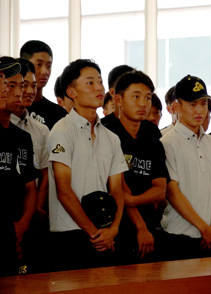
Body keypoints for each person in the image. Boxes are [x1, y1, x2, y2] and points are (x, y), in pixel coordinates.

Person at [47, 59, 128, 271]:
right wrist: (94, 233)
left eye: (100, 82)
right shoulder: (62, 131)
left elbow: (117, 190)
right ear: (71, 92)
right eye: (90, 83)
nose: (99, 87)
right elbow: (64, 192)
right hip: (70, 235)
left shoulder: (111, 138)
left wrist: (113, 230)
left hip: (106, 234)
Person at [158, 75, 211, 260]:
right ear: (177, 106)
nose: (200, 110)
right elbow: (172, 192)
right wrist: (203, 227)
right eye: (193, 105)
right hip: (179, 237)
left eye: (203, 104)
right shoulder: (167, 143)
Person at [106, 71, 169, 264]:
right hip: (115, 228)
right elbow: (119, 188)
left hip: (150, 227)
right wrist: (140, 227)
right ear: (118, 100)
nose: (143, 103)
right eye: (136, 97)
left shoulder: (153, 140)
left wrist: (132, 200)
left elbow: (160, 190)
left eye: (147, 98)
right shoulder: (107, 134)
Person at [7, 59, 51, 273]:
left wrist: (29, 216)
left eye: (33, 86)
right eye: (20, 85)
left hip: (27, 215)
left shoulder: (34, 132)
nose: (27, 91)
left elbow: (37, 179)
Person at [0, 56, 38, 276]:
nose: (15, 92)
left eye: (18, 85)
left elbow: (29, 186)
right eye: (7, 84)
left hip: (18, 230)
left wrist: (22, 225)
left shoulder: (23, 137)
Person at [20, 40, 67, 129]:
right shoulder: (11, 109)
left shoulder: (58, 114)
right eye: (39, 64)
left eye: (49, 66)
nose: (45, 71)